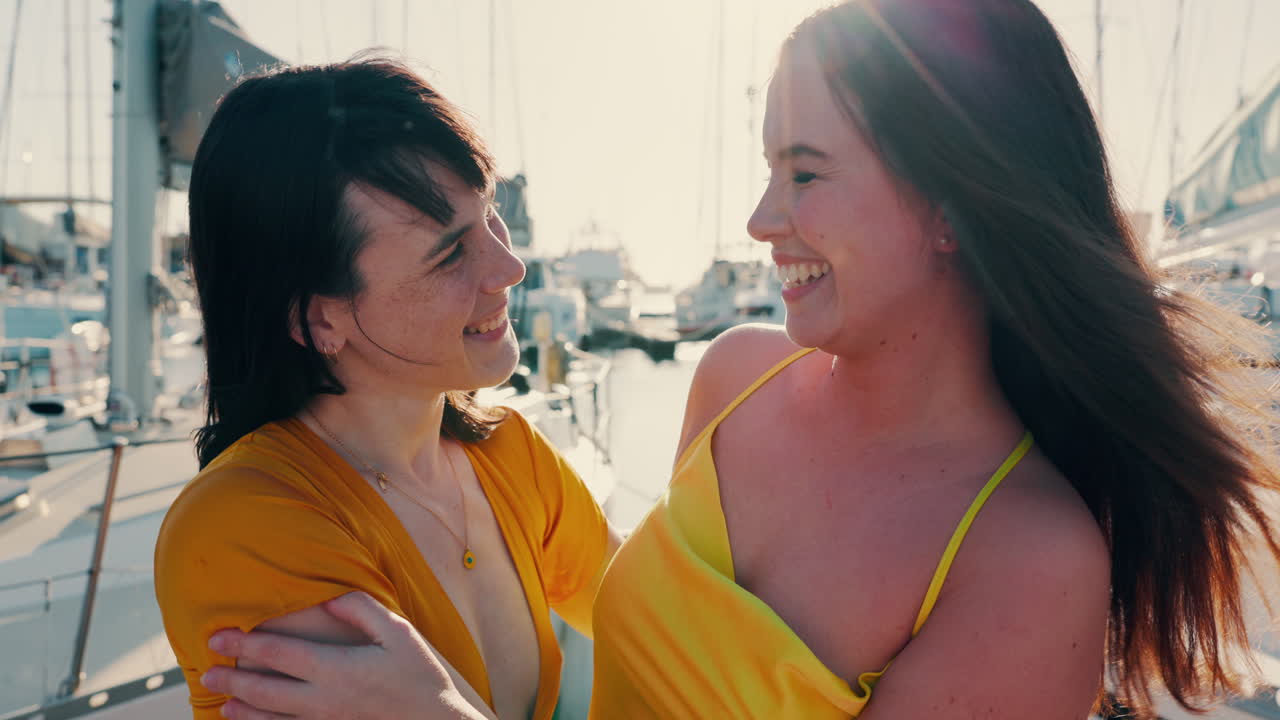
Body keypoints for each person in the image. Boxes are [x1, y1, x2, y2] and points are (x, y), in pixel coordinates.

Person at [200, 1, 1280, 718]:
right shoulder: (732, 377)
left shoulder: (1025, 562)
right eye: (768, 167)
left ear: (955, 206)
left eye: (805, 173)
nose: (763, 219)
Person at [153, 56, 622, 720]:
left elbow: (673, 634)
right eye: (451, 253)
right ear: (319, 318)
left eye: (492, 217)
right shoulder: (239, 530)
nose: (509, 267)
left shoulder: (512, 456)